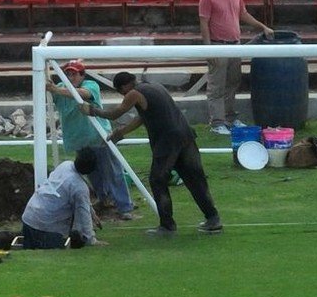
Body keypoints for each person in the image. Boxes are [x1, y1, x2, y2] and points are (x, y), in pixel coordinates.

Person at [83, 72, 222, 237]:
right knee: (194, 178)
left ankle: (167, 226)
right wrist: (121, 132)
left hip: (167, 141)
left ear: (124, 87)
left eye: (121, 92)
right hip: (185, 136)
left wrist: (92, 110)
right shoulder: (156, 87)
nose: (123, 96)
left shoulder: (134, 93)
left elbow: (115, 113)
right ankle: (213, 219)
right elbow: (143, 117)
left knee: (157, 180)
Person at [46, 59, 134, 219]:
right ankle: (104, 200)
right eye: (68, 74)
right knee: (93, 174)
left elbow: (84, 94)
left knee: (113, 172)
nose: (71, 77)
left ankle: (124, 207)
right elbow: (50, 90)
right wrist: (50, 86)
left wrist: (56, 90)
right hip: (79, 140)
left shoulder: (90, 85)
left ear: (82, 75)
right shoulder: (59, 88)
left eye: (74, 74)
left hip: (99, 136)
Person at [197, 0, 273, 136]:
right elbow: (204, 23)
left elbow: (242, 14)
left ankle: (229, 118)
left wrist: (262, 26)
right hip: (218, 45)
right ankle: (217, 122)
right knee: (216, 86)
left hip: (235, 44)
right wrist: (208, 48)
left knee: (232, 83)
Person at [20, 145, 105, 250]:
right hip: (45, 229)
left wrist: (92, 212)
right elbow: (83, 216)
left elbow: (85, 205)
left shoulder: (65, 165)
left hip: (28, 218)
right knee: (73, 241)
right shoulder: (79, 187)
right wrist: (91, 239)